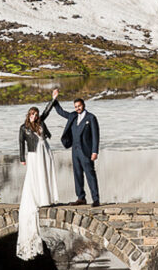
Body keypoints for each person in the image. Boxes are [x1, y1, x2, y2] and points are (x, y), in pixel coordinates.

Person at [16, 100, 59, 260]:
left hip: (44, 150)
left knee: (45, 174)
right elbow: (21, 142)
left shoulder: (41, 123)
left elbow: (47, 111)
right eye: (32, 114)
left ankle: (46, 198)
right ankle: (38, 198)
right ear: (28, 115)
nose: (34, 116)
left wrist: (53, 99)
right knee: (35, 176)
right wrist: (22, 158)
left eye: (36, 114)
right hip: (34, 154)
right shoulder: (23, 128)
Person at [51, 88, 100, 206]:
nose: (77, 108)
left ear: (83, 105)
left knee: (90, 174)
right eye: (75, 106)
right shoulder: (72, 116)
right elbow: (61, 112)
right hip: (75, 150)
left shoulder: (91, 118)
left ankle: (96, 199)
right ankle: (81, 198)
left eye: (79, 106)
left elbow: (96, 136)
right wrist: (54, 99)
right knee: (77, 174)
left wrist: (94, 151)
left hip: (86, 151)